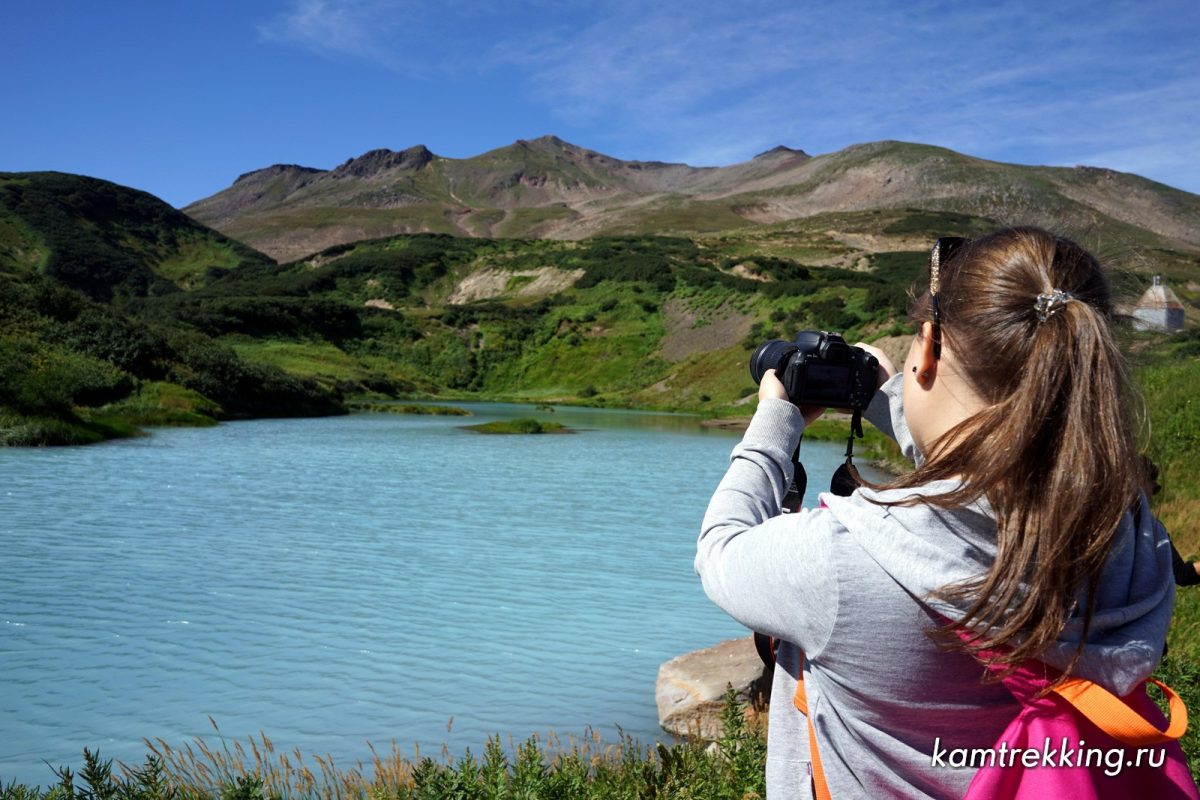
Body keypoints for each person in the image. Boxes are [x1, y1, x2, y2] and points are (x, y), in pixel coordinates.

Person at [697, 227, 1177, 798]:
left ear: (926, 348)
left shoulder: (846, 563)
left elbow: (721, 548)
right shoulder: (1132, 536)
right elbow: (998, 472)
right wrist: (896, 395)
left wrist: (777, 419)